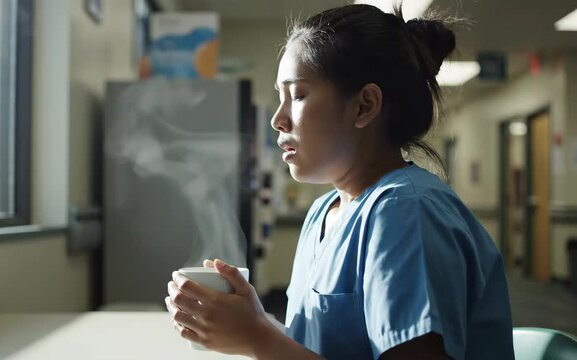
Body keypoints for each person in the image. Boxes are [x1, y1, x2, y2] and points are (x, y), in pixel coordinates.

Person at [165, 4, 515, 359]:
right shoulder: (323, 212)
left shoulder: (404, 211)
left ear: (364, 106)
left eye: (298, 95)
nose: (277, 119)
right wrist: (257, 324)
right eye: (280, 97)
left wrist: (258, 339)